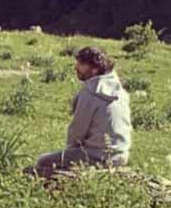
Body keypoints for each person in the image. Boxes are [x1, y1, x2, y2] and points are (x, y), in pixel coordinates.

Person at [33, 46, 132, 177]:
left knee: (43, 161)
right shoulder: (119, 90)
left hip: (96, 156)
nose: (76, 67)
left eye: (81, 64)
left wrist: (69, 154)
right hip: (121, 155)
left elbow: (77, 132)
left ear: (94, 68)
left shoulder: (90, 92)